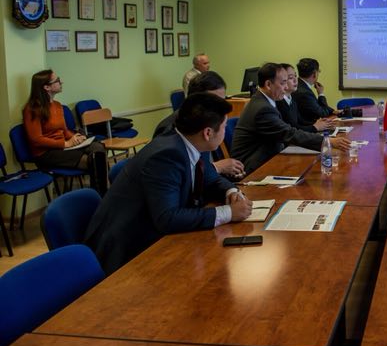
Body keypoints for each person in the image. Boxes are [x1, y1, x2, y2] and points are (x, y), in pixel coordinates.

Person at [84, 93, 253, 275]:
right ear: (208, 133)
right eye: (224, 127)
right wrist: (228, 212)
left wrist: (231, 191)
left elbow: (210, 178)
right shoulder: (166, 156)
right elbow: (168, 218)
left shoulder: (193, 141)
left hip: (153, 232)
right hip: (127, 249)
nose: (225, 131)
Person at [231, 63, 350, 174]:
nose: (285, 87)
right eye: (283, 83)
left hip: (267, 156)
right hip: (252, 167)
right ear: (268, 85)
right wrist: (328, 142)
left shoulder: (263, 101)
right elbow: (289, 133)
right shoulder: (262, 108)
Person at [22, 69, 108, 193]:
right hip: (46, 153)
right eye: (57, 80)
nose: (61, 82)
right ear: (46, 87)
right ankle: (100, 196)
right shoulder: (32, 109)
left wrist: (75, 137)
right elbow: (36, 140)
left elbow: (63, 130)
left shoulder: (57, 105)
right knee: (93, 160)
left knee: (98, 147)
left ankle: (101, 194)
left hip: (63, 147)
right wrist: (65, 144)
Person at [154, 71, 245, 178]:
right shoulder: (169, 128)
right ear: (196, 101)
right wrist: (216, 167)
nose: (220, 108)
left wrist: (229, 185)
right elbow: (180, 173)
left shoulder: (208, 121)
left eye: (222, 101)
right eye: (214, 102)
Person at [276, 63, 335, 133]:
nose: (295, 80)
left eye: (295, 76)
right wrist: (315, 127)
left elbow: (300, 121)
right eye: (291, 78)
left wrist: (320, 123)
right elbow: (292, 130)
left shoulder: (291, 99)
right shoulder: (279, 102)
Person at [293, 57, 337, 125]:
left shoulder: (300, 85)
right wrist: (321, 94)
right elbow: (322, 113)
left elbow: (317, 107)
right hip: (308, 127)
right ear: (314, 74)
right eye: (318, 71)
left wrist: (333, 111)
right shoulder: (304, 93)